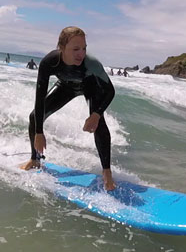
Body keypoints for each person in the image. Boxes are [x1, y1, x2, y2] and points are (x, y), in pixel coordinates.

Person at [20, 26, 116, 190]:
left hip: (91, 87)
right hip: (66, 87)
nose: (81, 53)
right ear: (62, 48)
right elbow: (40, 96)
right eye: (76, 49)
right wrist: (39, 132)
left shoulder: (91, 63)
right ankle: (35, 159)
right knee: (34, 117)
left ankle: (107, 173)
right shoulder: (49, 62)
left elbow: (110, 90)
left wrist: (96, 114)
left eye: (84, 48)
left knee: (98, 123)